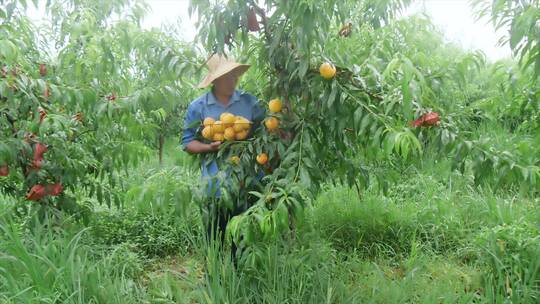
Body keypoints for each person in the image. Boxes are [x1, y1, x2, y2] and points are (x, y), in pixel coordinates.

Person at [181, 54, 265, 260]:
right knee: (214, 243)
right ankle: (215, 282)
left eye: (235, 75)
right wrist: (209, 147)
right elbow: (187, 142)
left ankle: (241, 283)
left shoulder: (250, 102)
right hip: (214, 185)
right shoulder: (198, 107)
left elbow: (265, 134)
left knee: (243, 241)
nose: (233, 80)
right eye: (228, 76)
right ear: (215, 80)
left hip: (246, 183)